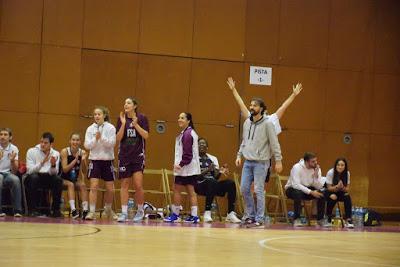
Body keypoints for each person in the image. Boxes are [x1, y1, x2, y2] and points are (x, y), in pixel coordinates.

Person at [227, 77, 302, 183]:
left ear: (263, 110)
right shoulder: (251, 119)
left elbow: (283, 107)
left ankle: (258, 199)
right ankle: (253, 199)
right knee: (249, 187)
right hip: (250, 158)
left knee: (258, 187)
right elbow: (241, 105)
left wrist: (293, 95)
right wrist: (234, 90)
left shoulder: (271, 120)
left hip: (263, 160)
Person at [236, 97, 283, 226]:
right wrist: (239, 155)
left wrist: (278, 160)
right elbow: (245, 141)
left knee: (258, 190)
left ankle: (260, 218)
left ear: (261, 108)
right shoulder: (247, 123)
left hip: (261, 163)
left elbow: (274, 143)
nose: (251, 107)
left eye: (255, 106)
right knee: (244, 189)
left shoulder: (268, 124)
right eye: (250, 105)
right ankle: (250, 215)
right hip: (247, 162)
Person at [116, 98, 149, 222]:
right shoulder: (121, 118)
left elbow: (146, 135)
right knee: (124, 184)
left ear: (135, 106)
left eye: (128, 103)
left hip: (138, 156)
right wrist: (124, 124)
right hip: (124, 156)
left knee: (138, 185)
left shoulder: (142, 118)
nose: (126, 105)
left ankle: (140, 211)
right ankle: (124, 213)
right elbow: (118, 138)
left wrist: (136, 125)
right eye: (124, 103)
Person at [164, 112, 201, 223]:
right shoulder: (187, 133)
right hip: (190, 169)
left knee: (177, 190)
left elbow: (188, 155)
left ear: (188, 120)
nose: (179, 119)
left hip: (185, 168)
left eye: (182, 118)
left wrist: (179, 165)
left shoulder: (187, 134)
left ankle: (175, 215)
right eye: (179, 117)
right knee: (191, 192)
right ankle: (194, 216)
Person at [195, 137, 241, 223]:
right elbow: (195, 177)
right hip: (199, 185)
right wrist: (207, 170)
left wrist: (220, 171)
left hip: (212, 184)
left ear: (207, 147)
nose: (201, 145)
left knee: (230, 183)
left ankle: (230, 213)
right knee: (211, 181)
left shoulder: (213, 158)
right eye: (199, 144)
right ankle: (207, 212)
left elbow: (215, 178)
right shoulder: (193, 159)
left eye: (203, 144)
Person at [84, 106, 117, 220]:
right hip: (95, 160)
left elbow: (112, 143)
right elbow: (87, 145)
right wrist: (95, 139)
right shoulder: (90, 129)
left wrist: (101, 138)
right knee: (94, 186)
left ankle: (108, 209)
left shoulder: (111, 128)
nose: (97, 116)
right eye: (95, 114)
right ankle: (92, 211)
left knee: (110, 188)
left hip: (108, 160)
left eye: (99, 114)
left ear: (104, 115)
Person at [284, 152, 329, 227]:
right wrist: (311, 192)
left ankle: (320, 219)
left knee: (322, 193)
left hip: (306, 189)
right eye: (313, 161)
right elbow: (296, 185)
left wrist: (316, 176)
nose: (316, 163)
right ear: (306, 162)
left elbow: (318, 186)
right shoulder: (297, 167)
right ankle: (296, 219)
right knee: (297, 193)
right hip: (292, 189)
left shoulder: (316, 169)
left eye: (316, 161)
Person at [25, 132, 63, 217]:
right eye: (41, 142)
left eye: (45, 143)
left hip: (47, 176)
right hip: (34, 176)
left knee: (58, 180)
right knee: (33, 178)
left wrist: (53, 165)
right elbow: (30, 171)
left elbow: (54, 173)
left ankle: (55, 210)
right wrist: (42, 163)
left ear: (51, 144)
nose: (42, 144)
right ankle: (32, 210)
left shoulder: (55, 153)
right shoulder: (31, 151)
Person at [60, 133, 89, 219]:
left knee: (83, 185)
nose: (75, 142)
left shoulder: (82, 152)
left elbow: (84, 171)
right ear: (70, 141)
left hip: (74, 179)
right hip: (63, 178)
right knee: (70, 185)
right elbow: (64, 169)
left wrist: (83, 160)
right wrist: (75, 160)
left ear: (80, 142)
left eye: (77, 140)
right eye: (73, 140)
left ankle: (85, 210)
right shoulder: (65, 151)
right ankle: (73, 210)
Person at [325, 157, 354, 228]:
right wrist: (337, 186)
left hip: (340, 191)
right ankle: (328, 217)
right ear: (335, 165)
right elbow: (328, 188)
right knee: (333, 197)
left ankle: (348, 219)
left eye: (342, 165)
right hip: (329, 191)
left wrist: (342, 187)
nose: (340, 167)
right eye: (338, 165)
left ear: (345, 166)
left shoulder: (347, 173)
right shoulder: (330, 172)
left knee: (347, 196)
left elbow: (347, 189)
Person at [0, 128, 22, 217]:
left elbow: (14, 171)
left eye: (5, 135)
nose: (2, 137)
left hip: (8, 174)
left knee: (16, 179)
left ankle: (17, 210)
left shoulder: (14, 148)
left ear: (10, 137)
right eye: (1, 134)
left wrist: (12, 161)